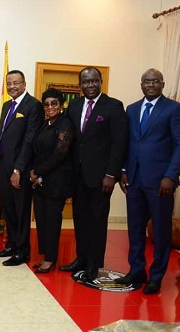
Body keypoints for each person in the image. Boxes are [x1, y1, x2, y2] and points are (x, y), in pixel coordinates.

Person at [115, 69, 180, 294]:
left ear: (162, 84)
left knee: (160, 230)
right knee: (135, 229)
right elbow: (128, 143)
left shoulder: (174, 109)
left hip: (160, 183)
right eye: (147, 81)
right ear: (141, 84)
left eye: (155, 81)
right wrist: (124, 170)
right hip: (134, 180)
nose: (151, 85)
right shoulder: (132, 109)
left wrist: (170, 176)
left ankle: (156, 276)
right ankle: (136, 270)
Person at [59, 67, 128, 282]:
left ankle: (93, 264)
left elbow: (119, 143)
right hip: (78, 176)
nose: (90, 85)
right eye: (86, 82)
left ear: (100, 81)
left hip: (101, 177)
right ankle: (81, 258)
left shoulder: (113, 106)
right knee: (79, 219)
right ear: (80, 84)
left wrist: (111, 174)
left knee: (97, 220)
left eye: (94, 81)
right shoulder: (75, 105)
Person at [0, 70, 44, 266]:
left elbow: (29, 140)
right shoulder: (7, 106)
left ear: (24, 84)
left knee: (21, 211)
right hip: (3, 166)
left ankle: (23, 251)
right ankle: (11, 245)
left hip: (19, 169)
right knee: (8, 209)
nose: (12, 86)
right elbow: (0, 136)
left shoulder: (33, 106)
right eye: (9, 83)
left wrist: (18, 170)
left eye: (16, 83)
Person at [29, 88, 74, 274]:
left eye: (54, 103)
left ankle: (50, 259)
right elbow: (37, 151)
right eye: (46, 104)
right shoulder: (44, 124)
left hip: (56, 181)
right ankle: (45, 255)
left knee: (52, 221)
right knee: (42, 220)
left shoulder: (65, 124)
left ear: (61, 105)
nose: (49, 107)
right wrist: (35, 174)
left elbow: (60, 154)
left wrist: (38, 172)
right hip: (40, 181)